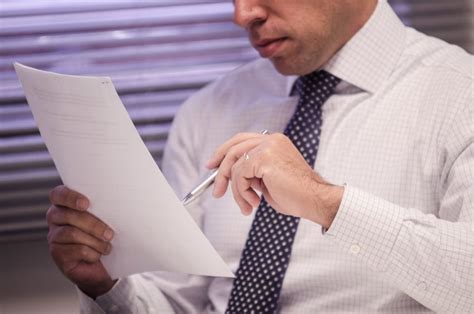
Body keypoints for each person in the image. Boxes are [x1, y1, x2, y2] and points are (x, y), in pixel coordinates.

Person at [46, 0, 474, 312]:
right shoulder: (207, 110)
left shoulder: (460, 95)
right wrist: (105, 286)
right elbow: (178, 301)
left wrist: (324, 202)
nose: (241, 14)